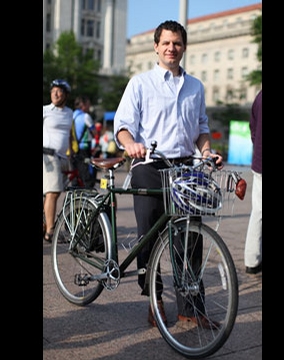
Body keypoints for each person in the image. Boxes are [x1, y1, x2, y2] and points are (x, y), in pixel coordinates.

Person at [114, 20, 223, 329]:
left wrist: (206, 153)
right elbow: (122, 125)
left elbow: (201, 129)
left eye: (177, 43)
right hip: (149, 163)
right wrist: (130, 144)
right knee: (149, 232)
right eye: (166, 43)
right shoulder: (140, 83)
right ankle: (155, 299)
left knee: (190, 237)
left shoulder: (195, 86)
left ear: (184, 47)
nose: (171, 48)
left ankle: (191, 307)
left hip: (185, 167)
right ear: (156, 47)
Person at [43, 79, 74, 243]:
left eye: (59, 91)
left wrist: (72, 153)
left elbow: (68, 134)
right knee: (53, 193)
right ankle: (50, 231)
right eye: (53, 90)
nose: (55, 93)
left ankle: (45, 224)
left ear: (66, 95)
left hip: (63, 157)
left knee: (49, 193)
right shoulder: (45, 110)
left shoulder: (69, 113)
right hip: (47, 155)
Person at [244, 89, 262, 274]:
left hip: (259, 162)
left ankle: (252, 259)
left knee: (258, 211)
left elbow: (253, 129)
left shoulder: (259, 96)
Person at [72, 95, 97, 187]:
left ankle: (76, 193)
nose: (89, 106)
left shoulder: (72, 115)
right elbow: (94, 132)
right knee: (86, 171)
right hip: (84, 148)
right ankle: (88, 191)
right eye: (88, 104)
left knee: (76, 172)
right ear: (83, 104)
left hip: (73, 148)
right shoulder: (86, 116)